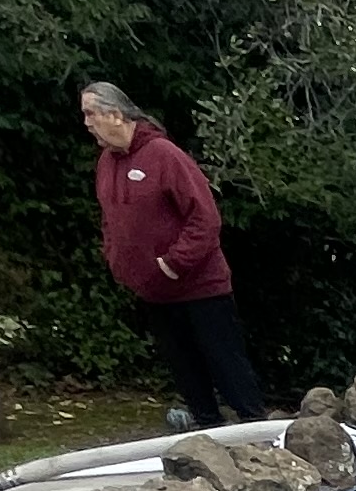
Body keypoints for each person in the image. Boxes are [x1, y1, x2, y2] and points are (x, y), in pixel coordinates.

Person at [82, 81, 265, 429]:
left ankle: (256, 431)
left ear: (115, 114)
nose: (87, 123)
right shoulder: (106, 163)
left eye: (91, 113)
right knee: (184, 367)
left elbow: (205, 217)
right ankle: (208, 433)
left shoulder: (165, 155)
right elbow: (110, 219)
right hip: (152, 290)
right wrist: (118, 261)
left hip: (199, 286)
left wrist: (172, 263)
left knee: (225, 363)